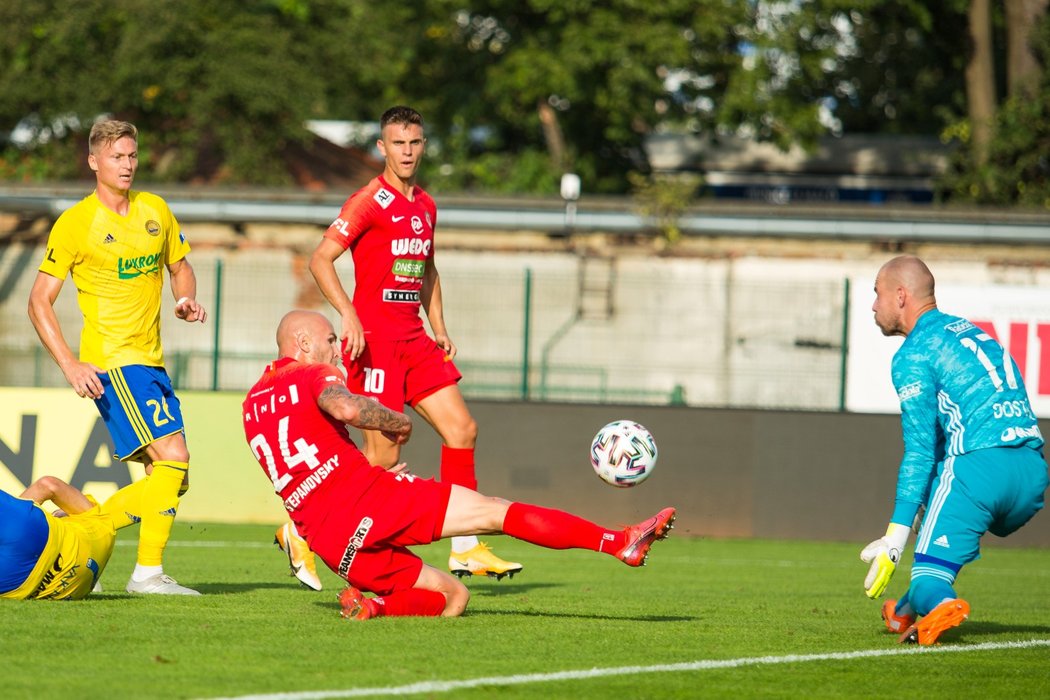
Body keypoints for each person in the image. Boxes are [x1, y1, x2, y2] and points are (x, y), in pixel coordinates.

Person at [242, 310, 676, 619]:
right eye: (330, 340)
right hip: (368, 501)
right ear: (302, 344)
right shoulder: (310, 374)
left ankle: (373, 606)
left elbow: (308, 462)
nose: (336, 348)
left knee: (454, 598)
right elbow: (348, 410)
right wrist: (398, 421)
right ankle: (618, 541)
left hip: (331, 541)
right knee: (494, 510)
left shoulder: (251, 404)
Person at [302, 104, 519, 584]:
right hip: (375, 344)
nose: (407, 151)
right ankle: (302, 528)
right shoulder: (366, 202)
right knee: (380, 463)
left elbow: (427, 269)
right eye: (398, 143)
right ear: (382, 147)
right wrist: (349, 313)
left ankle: (465, 548)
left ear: (423, 146)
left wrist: (438, 325)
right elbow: (321, 259)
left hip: (415, 341)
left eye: (414, 142)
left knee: (462, 430)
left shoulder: (426, 204)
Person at [27, 119, 207, 596]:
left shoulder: (155, 210)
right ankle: (147, 575)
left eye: (131, 155)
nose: (127, 165)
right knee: (175, 457)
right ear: (93, 162)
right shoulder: (76, 223)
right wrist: (69, 362)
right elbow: (38, 299)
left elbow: (181, 267)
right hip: (114, 363)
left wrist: (183, 298)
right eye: (116, 157)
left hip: (151, 361)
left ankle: (77, 527)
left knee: (171, 480)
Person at [861, 255, 1049, 645]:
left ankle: (938, 604)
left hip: (979, 469)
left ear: (901, 295)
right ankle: (903, 612)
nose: (873, 305)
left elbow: (920, 450)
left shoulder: (914, 353)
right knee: (936, 551)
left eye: (877, 294)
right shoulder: (972, 333)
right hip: (1031, 472)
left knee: (930, 579)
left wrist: (894, 539)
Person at [1, 476, 145, 600]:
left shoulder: (100, 525)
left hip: (31, 537)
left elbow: (49, 485)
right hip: (27, 584)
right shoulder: (100, 526)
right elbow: (47, 486)